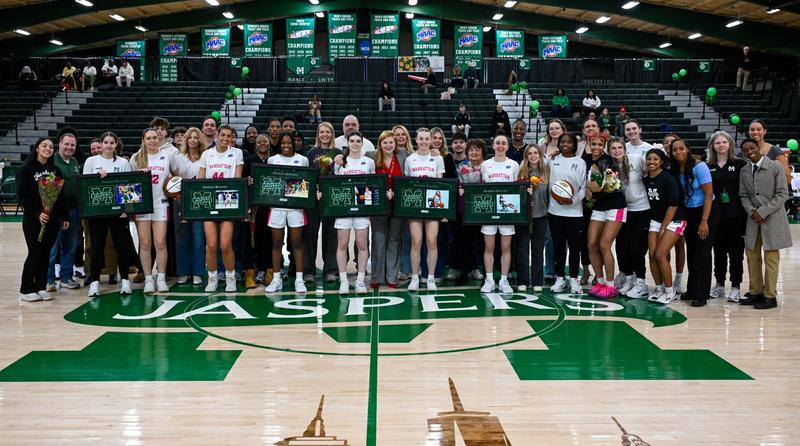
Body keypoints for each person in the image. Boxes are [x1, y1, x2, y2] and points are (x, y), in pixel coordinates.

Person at [739, 138, 792, 309]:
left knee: (771, 258)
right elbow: (743, 195)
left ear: (759, 148)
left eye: (752, 148)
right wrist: (753, 212)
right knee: (752, 256)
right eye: (745, 150)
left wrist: (761, 212)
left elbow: (783, 194)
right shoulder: (744, 170)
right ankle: (755, 292)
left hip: (773, 218)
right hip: (753, 219)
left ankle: (770, 296)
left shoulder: (775, 167)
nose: (749, 151)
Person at [16, 138, 69, 302]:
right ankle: (26, 289)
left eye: (51, 146)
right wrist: (38, 212)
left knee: (46, 253)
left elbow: (61, 196)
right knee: (35, 252)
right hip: (33, 219)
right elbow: (22, 196)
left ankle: (40, 286)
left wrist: (64, 216)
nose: (48, 148)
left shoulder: (55, 170)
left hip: (52, 219)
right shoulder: (26, 169)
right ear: (37, 148)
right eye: (44, 146)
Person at [82, 132, 134, 296]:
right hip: (98, 212)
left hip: (118, 213)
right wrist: (97, 178)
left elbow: (128, 185)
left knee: (121, 246)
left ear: (116, 144)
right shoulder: (91, 161)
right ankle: (95, 282)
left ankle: (125, 280)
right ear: (102, 144)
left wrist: (126, 209)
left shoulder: (123, 162)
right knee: (97, 247)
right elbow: (85, 186)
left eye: (112, 142)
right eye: (106, 142)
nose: (109, 145)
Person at [670, 138, 718, 307]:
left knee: (702, 253)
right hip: (688, 213)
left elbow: (708, 194)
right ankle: (692, 289)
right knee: (691, 251)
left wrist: (704, 221)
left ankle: (701, 293)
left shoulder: (700, 166)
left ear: (687, 149)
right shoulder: (675, 169)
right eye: (675, 150)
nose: (678, 152)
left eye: (681, 148)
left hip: (706, 212)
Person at [197, 125, 243, 292]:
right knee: (211, 244)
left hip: (228, 201)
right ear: (217, 135)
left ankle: (231, 277)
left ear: (232, 138)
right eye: (222, 135)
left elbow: (237, 179)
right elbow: (200, 179)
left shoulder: (237, 153)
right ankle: (212, 277)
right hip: (209, 201)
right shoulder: (206, 154)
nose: (225, 138)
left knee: (225, 244)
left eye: (229, 136)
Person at [130, 128, 175, 293]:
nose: (152, 141)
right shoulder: (136, 158)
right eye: (149, 138)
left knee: (161, 242)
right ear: (143, 140)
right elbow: (129, 184)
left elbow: (177, 175)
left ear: (159, 139)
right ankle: (149, 279)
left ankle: (161, 278)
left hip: (161, 202)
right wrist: (137, 175)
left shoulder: (167, 156)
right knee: (145, 243)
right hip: (142, 205)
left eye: (155, 137)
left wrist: (172, 182)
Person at [263, 132, 309, 294]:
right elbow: (268, 183)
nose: (286, 146)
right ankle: (276, 279)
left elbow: (305, 184)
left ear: (295, 143)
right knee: (276, 242)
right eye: (283, 143)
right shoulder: (272, 160)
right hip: (276, 207)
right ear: (279, 144)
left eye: (289, 143)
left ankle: (299, 279)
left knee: (296, 242)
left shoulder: (303, 160)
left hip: (296, 207)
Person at [331, 132, 375, 294]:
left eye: (358, 141)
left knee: (362, 244)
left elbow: (372, 185)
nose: (355, 144)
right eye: (352, 141)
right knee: (342, 244)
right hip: (344, 208)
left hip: (362, 208)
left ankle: (360, 281)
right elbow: (334, 184)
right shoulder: (341, 162)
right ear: (347, 143)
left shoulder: (368, 162)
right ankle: (343, 281)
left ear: (362, 143)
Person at [584, 135, 627, 298]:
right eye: (593, 144)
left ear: (604, 146)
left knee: (604, 245)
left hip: (615, 207)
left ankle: (610, 285)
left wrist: (592, 190)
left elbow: (612, 187)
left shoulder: (609, 162)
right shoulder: (586, 160)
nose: (595, 147)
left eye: (599, 144)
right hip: (598, 207)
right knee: (591, 244)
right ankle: (600, 282)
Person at [707, 131, 747, 302]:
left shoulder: (740, 164)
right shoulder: (707, 165)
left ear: (730, 144)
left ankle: (736, 286)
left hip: (737, 216)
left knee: (736, 253)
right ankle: (719, 284)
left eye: (724, 142)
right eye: (717, 143)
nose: (721, 145)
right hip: (716, 217)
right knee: (719, 252)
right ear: (713, 146)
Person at [404, 128, 445, 291]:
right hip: (415, 204)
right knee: (416, 241)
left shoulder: (437, 158)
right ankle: (415, 277)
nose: (424, 141)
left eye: (427, 139)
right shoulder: (410, 159)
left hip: (432, 205)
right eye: (420, 139)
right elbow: (407, 184)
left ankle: (430, 278)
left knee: (432, 241)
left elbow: (440, 184)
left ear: (430, 140)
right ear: (416, 140)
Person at [479, 134, 520, 293]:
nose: (501, 146)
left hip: (507, 211)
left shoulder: (514, 165)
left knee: (505, 247)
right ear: (493, 146)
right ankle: (489, 280)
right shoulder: (485, 165)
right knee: (489, 246)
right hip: (489, 210)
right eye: (498, 143)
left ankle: (503, 280)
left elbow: (516, 188)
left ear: (507, 147)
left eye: (503, 143)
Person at [643, 148, 684, 304]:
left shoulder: (667, 178)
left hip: (675, 220)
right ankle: (659, 288)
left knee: (660, 254)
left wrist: (663, 228)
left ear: (661, 162)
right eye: (649, 159)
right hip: (655, 219)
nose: (651, 162)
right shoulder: (645, 179)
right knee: (652, 255)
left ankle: (670, 290)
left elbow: (673, 205)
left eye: (655, 159)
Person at [548, 133, 587, 294]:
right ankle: (559, 277)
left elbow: (584, 188)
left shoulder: (580, 162)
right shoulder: (552, 160)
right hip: (554, 211)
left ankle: (574, 279)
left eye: (568, 142)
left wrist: (572, 200)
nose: (565, 144)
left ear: (574, 144)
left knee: (574, 247)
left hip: (574, 213)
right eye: (562, 142)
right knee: (558, 247)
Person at [368, 130, 407, 287]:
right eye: (385, 142)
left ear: (396, 143)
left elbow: (421, 154)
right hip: (379, 204)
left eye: (391, 142)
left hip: (397, 204)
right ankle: (377, 277)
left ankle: (391, 276)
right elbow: (351, 152)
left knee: (394, 239)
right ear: (380, 144)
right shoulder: (371, 156)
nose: (388, 145)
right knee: (378, 239)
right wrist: (339, 156)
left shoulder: (403, 155)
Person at [613, 139, 651, 299]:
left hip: (641, 209)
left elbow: (649, 177)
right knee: (622, 248)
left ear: (624, 148)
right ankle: (629, 279)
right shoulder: (610, 166)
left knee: (636, 248)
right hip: (623, 210)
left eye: (619, 147)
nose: (616, 150)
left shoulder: (636, 159)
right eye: (613, 148)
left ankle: (641, 283)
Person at [305, 122, 342, 283]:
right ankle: (308, 270)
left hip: (332, 199)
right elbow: (307, 177)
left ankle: (330, 270)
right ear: (318, 134)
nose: (325, 135)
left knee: (331, 235)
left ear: (332, 134)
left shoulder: (339, 152)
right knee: (310, 234)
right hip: (314, 198)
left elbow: (341, 175)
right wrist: (315, 190)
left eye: (328, 132)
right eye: (322, 132)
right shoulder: (311, 153)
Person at [46, 133, 82, 291]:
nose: (69, 147)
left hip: (74, 210)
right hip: (56, 211)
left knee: (70, 245)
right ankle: (48, 280)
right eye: (66, 144)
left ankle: (66, 278)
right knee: (52, 247)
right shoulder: (51, 161)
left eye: (72, 145)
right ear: (59, 144)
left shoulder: (74, 162)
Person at [172, 127, 207, 286]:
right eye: (190, 137)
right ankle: (184, 272)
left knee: (198, 238)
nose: (193, 140)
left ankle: (198, 272)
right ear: (186, 140)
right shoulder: (178, 158)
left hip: (200, 202)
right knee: (182, 238)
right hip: (180, 202)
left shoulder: (206, 157)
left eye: (196, 137)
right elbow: (172, 180)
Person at [516, 144, 549, 292]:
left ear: (540, 155)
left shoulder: (546, 172)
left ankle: (537, 281)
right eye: (530, 153)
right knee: (522, 249)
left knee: (537, 250)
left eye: (536, 153)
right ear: (526, 156)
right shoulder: (521, 172)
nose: (533, 155)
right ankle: (522, 280)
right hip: (524, 217)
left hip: (541, 215)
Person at [452, 137, 485, 283]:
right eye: (471, 150)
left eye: (477, 149)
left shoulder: (488, 166)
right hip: (463, 209)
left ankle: (478, 268)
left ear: (483, 151)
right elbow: (458, 185)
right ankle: (463, 271)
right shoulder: (462, 167)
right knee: (463, 241)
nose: (474, 152)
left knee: (480, 242)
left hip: (483, 210)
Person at [242, 133, 273, 285]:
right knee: (251, 239)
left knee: (268, 238)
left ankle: (269, 270)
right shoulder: (248, 161)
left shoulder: (274, 160)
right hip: (253, 206)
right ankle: (249, 272)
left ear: (269, 144)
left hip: (270, 205)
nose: (262, 143)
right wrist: (246, 181)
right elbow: (241, 182)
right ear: (255, 145)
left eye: (264, 141)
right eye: (259, 141)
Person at [748, 119, 791, 184]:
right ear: (749, 132)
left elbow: (787, 177)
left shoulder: (775, 151)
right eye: (752, 130)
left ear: (765, 131)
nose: (755, 132)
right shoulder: (743, 152)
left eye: (759, 129)